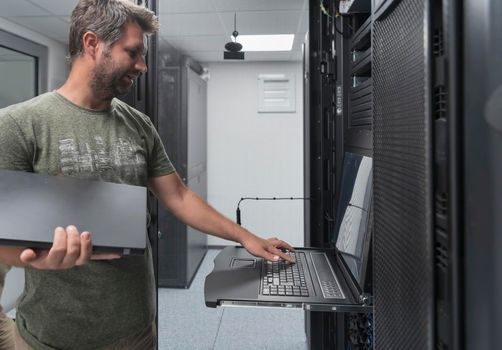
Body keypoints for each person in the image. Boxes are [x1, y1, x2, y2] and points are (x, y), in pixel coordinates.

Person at [0, 0, 294, 349]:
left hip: (137, 330)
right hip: (53, 337)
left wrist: (245, 236)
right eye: (132, 52)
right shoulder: (20, 125)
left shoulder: (138, 124)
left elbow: (179, 196)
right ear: (92, 43)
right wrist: (38, 259)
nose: (142, 65)